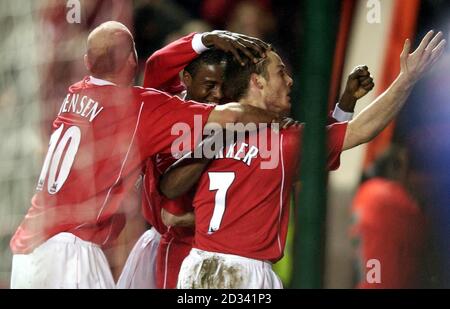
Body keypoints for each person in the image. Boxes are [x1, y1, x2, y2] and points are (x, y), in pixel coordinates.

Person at [159, 31, 445, 288]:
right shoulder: (285, 139)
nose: (290, 80)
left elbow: (171, 207)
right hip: (245, 274)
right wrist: (407, 79)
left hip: (197, 269)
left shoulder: (210, 128)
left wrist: (345, 103)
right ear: (257, 82)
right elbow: (360, 130)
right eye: (280, 73)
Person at [9, 21, 283, 289]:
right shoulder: (141, 109)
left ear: (86, 62)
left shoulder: (74, 94)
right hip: (74, 252)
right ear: (132, 61)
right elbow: (230, 115)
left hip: (29, 248)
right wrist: (283, 122)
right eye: (210, 85)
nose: (217, 94)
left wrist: (206, 39)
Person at [118, 31, 366, 289]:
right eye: (209, 85)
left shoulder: (235, 125)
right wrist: (207, 38)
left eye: (221, 86)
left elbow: (314, 147)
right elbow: (171, 215)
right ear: (186, 81)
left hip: (233, 259)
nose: (215, 94)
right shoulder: (169, 115)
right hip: (180, 250)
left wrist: (344, 105)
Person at [350, 143, 427, 288]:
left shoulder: (367, 191)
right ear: (394, 169)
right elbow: (425, 229)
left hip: (370, 282)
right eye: (407, 169)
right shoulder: (386, 195)